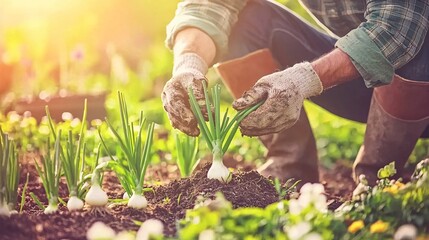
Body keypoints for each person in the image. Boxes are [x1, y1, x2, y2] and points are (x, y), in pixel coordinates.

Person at [161, 0, 429, 186]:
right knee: (245, 22)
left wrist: (302, 79)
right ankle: (290, 168)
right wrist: (188, 63)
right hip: (365, 76)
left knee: (420, 46)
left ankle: (378, 181)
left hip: (417, 73)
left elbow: (396, 31)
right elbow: (209, 6)